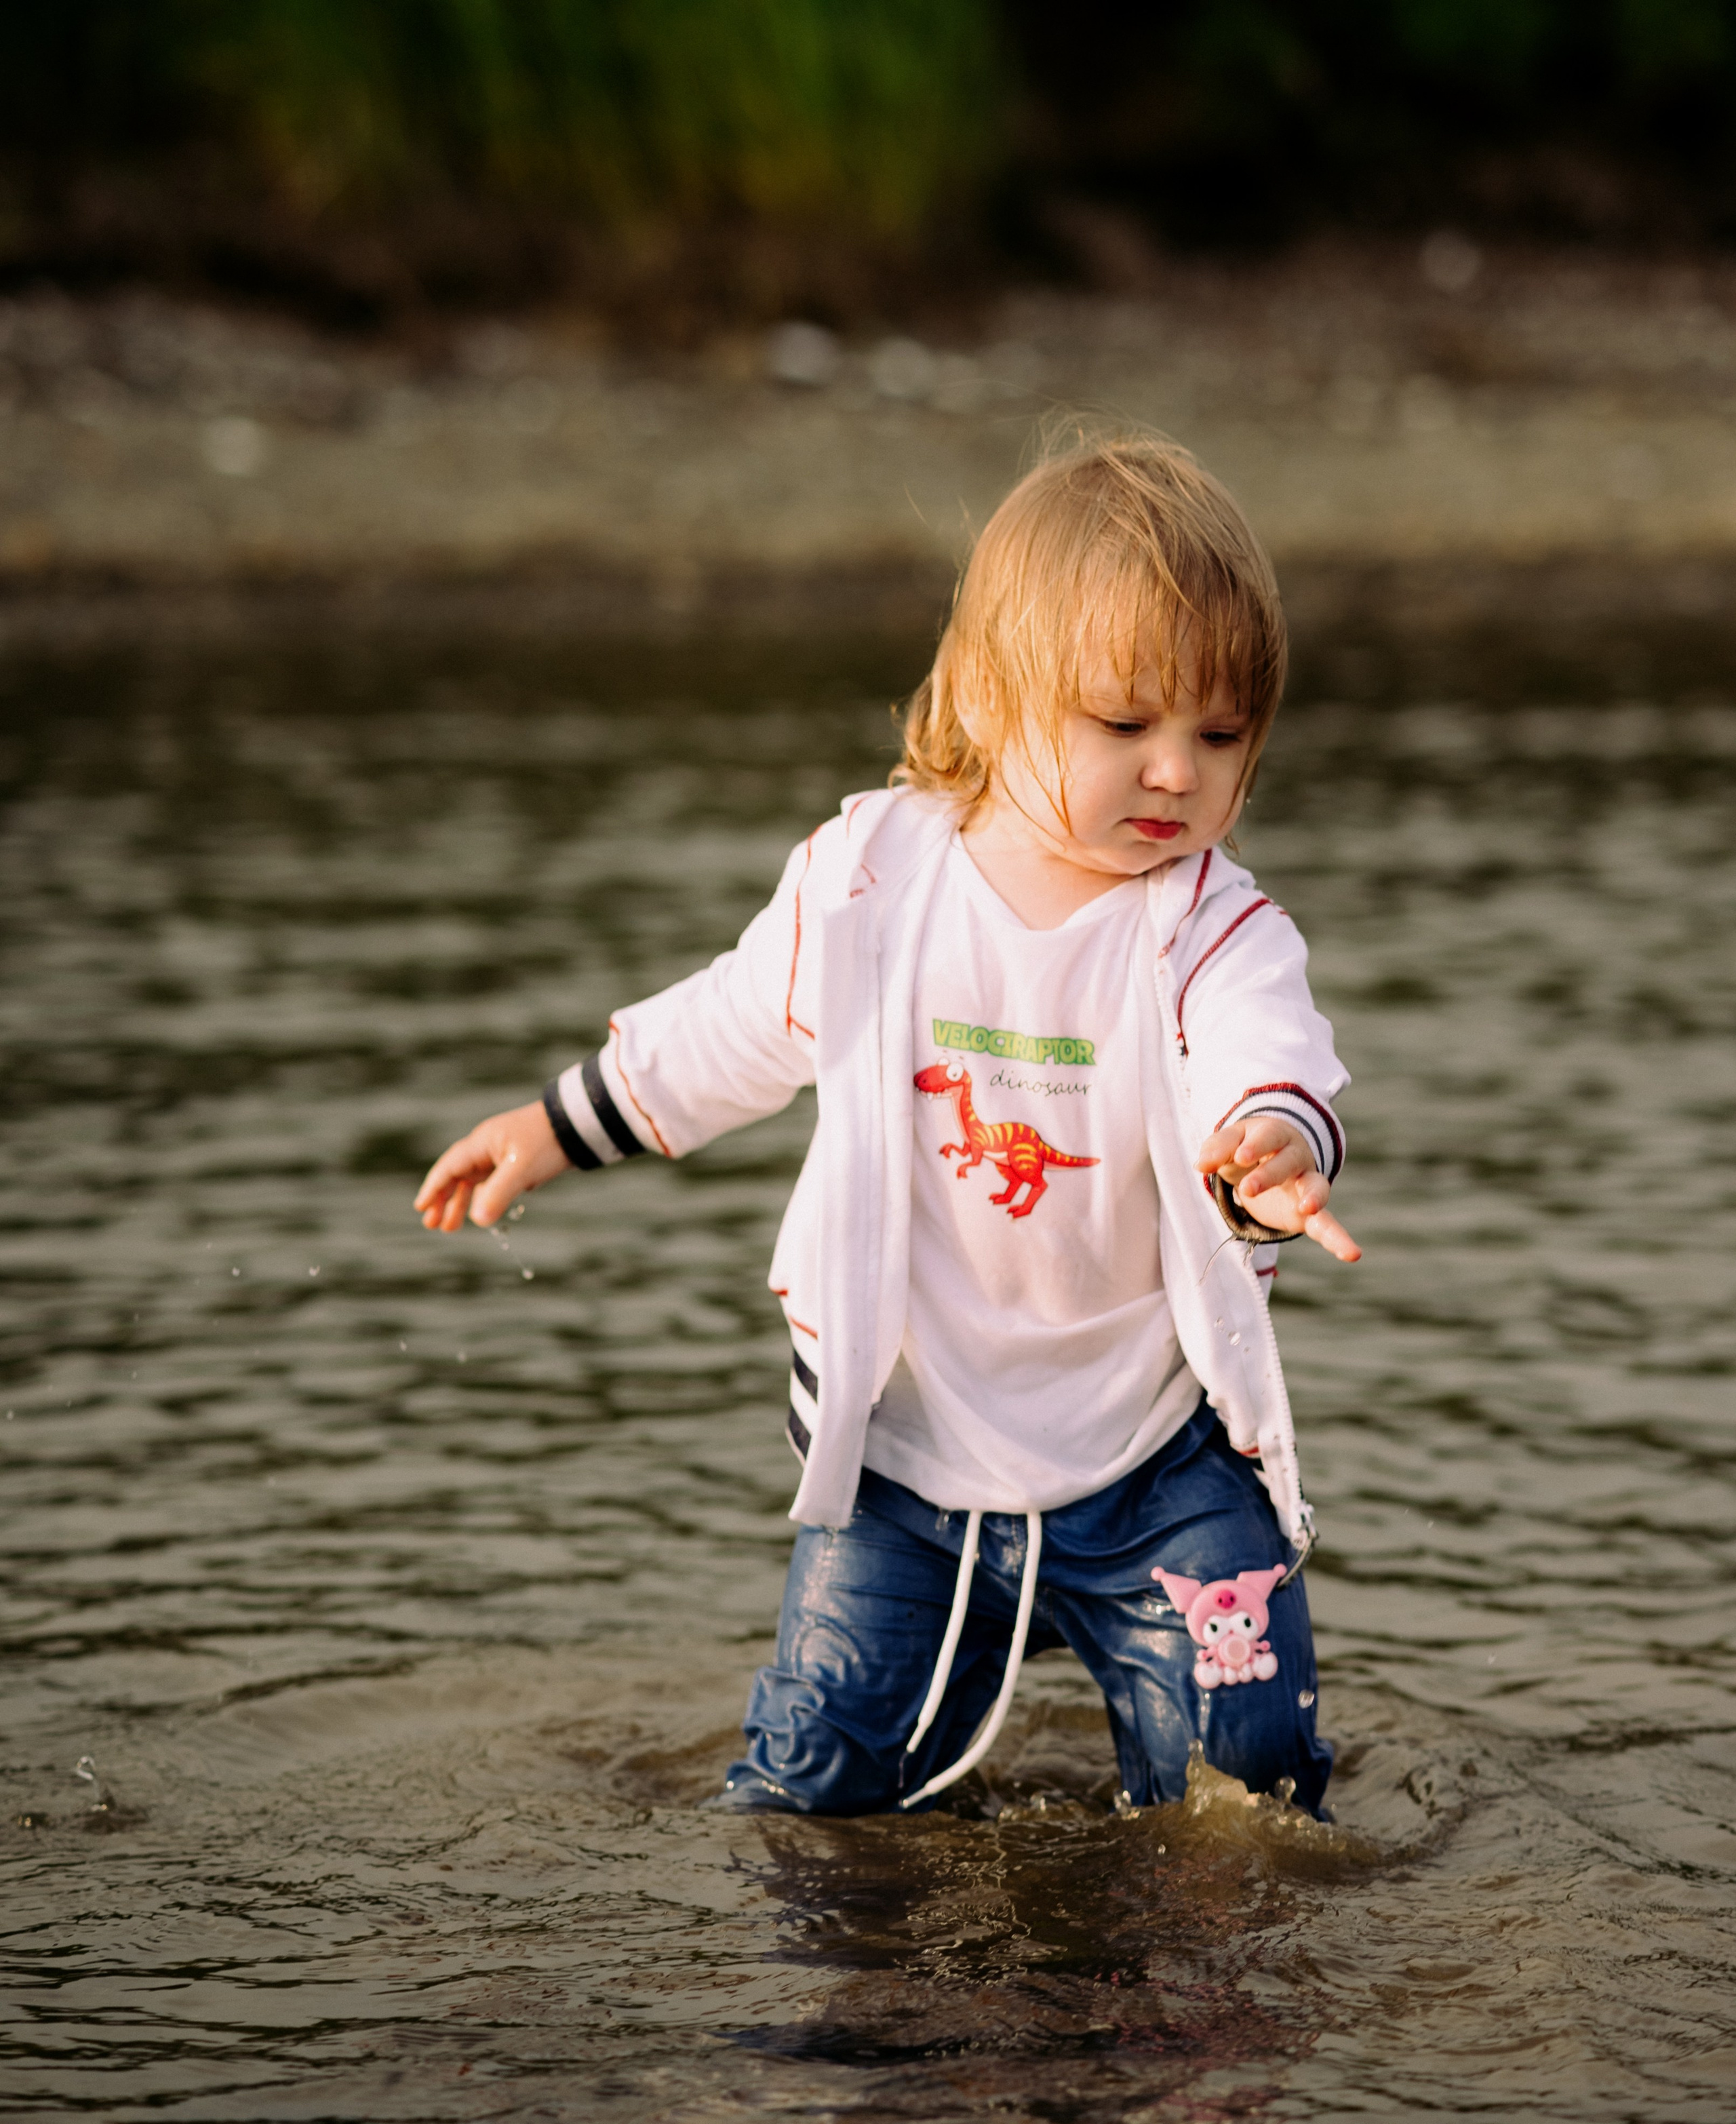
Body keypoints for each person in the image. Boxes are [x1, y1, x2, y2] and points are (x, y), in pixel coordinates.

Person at [414, 432, 1358, 1817]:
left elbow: (1263, 1059)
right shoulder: (872, 880)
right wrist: (558, 1126)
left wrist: (1268, 1151)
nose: (1173, 772)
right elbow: (735, 1026)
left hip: (1158, 1451)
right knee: (811, 1794)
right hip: (910, 1457)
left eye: (1217, 738)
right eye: (1124, 725)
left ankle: (1201, 1996)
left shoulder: (1216, 927)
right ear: (992, 694)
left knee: (1252, 1783)